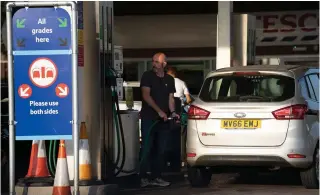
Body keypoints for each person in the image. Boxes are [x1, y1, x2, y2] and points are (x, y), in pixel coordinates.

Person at [139, 52, 179, 187]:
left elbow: (170, 99)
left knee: (161, 149)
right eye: (153, 61)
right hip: (149, 118)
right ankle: (143, 177)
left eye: (157, 62)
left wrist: (173, 112)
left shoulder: (169, 79)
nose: (154, 64)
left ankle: (157, 176)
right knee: (147, 147)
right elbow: (146, 96)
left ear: (164, 64)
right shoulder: (147, 76)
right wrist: (159, 111)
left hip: (163, 120)